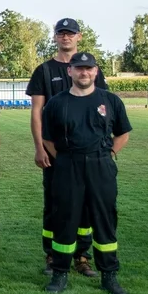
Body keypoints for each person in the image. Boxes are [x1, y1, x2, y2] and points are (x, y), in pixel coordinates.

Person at [41, 53, 130, 294]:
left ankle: (109, 275)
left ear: (96, 71)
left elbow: (123, 133)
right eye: (79, 68)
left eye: (88, 69)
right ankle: (60, 273)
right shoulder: (56, 103)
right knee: (65, 219)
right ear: (70, 71)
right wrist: (65, 159)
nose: (84, 73)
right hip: (68, 165)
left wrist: (110, 152)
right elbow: (47, 138)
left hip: (101, 165)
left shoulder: (110, 100)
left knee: (104, 220)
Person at [26, 18, 108, 277]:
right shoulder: (44, 71)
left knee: (85, 205)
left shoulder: (92, 69)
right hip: (55, 151)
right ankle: (52, 255)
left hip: (86, 152)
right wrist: (40, 147)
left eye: (70, 33)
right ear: (55, 37)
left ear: (78, 37)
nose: (65, 37)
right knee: (55, 203)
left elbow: (102, 107)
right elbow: (37, 112)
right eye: (61, 33)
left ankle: (82, 256)